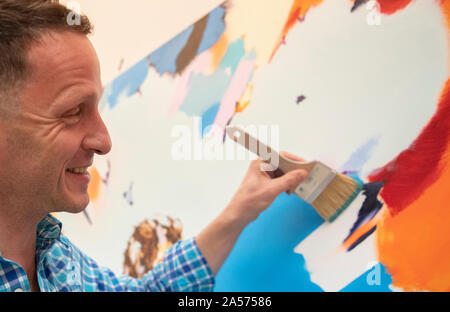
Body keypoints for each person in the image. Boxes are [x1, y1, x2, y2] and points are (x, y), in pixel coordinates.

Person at [0, 0, 307, 292]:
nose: (104, 142)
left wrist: (239, 211)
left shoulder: (55, 255)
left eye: (96, 108)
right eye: (72, 112)